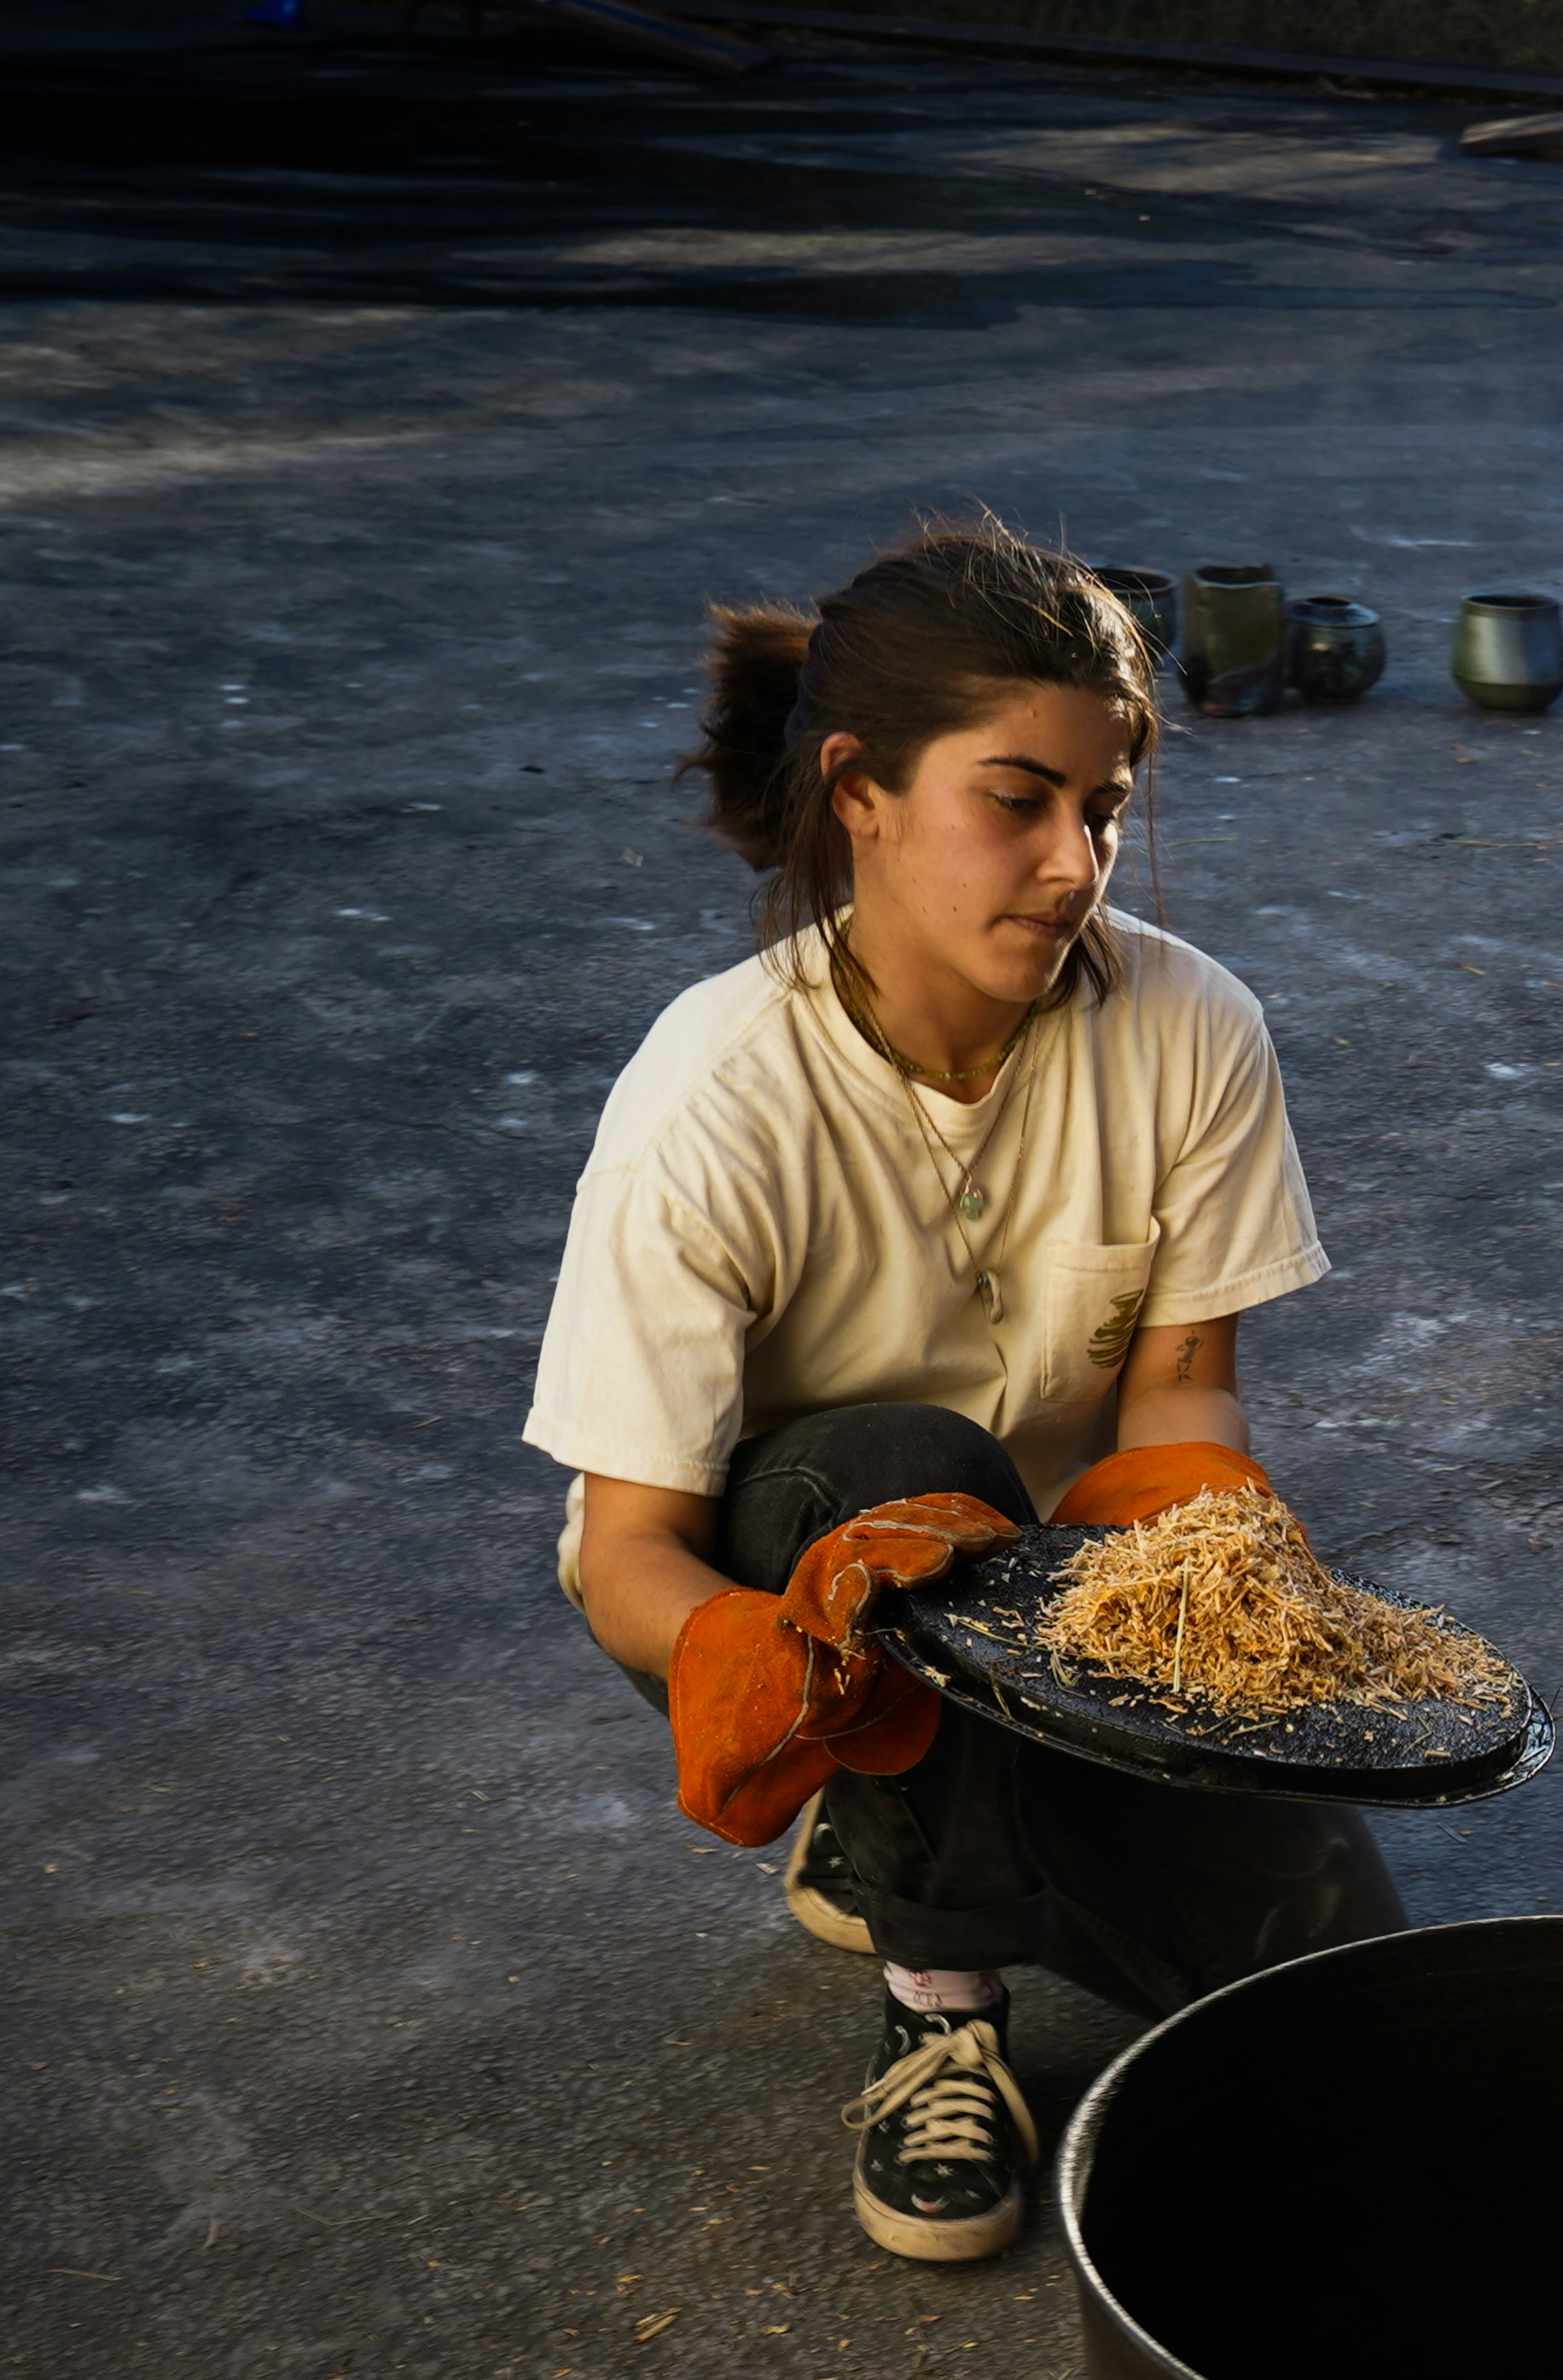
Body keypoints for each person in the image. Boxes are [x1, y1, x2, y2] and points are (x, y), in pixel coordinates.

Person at [524, 516, 1403, 2264]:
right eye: (1019, 800)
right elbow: (628, 1540)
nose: (1079, 861)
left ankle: (912, 1830)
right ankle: (941, 1995)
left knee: (1357, 2017)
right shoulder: (714, 1094)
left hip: (1069, 1599)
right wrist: (747, 1658)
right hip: (806, 1576)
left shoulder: (1194, 1026)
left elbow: (1183, 1398)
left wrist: (1210, 1542)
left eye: (1108, 805)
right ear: (858, 788)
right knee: (898, 1463)